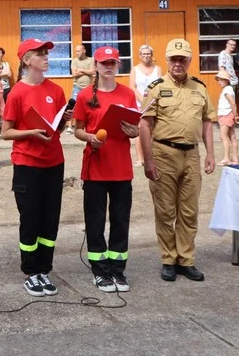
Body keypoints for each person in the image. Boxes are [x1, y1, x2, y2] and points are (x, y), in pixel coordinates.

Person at [139, 38, 215, 283]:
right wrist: (148, 160)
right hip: (164, 154)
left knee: (190, 211)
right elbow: (145, 124)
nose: (178, 64)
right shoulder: (156, 87)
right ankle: (168, 259)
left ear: (190, 61)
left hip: (191, 155)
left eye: (183, 59)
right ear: (168, 61)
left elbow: (206, 122)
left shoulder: (200, 88)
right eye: (174, 59)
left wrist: (211, 154)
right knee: (165, 210)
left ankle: (186, 259)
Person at [1, 39, 69, 297]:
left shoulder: (56, 89)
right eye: (40, 53)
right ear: (27, 60)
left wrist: (63, 122)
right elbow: (6, 132)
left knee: (50, 218)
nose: (46, 57)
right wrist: (31, 131)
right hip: (27, 163)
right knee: (30, 218)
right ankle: (30, 271)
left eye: (46, 53)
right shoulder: (17, 92)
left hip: (54, 162)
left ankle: (45, 269)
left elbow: (57, 129)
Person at [72, 46, 139, 293]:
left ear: (118, 65)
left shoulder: (128, 94)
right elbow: (78, 129)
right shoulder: (85, 95)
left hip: (121, 167)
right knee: (95, 220)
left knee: (121, 220)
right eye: (104, 63)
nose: (108, 67)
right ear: (96, 67)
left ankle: (118, 269)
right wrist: (89, 137)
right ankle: (100, 271)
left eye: (112, 63)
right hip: (95, 167)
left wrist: (135, 131)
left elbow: (134, 126)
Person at [128, 45, 160, 167]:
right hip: (139, 104)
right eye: (144, 54)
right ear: (140, 56)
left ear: (152, 55)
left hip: (154, 103)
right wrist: (142, 100)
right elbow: (132, 87)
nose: (146, 56)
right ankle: (140, 159)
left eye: (148, 54)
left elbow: (160, 85)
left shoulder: (158, 69)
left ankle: (151, 157)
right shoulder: (135, 69)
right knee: (141, 129)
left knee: (154, 130)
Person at [215, 71, 239, 165]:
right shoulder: (230, 89)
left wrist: (236, 115)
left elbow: (232, 103)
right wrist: (235, 115)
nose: (219, 81)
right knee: (232, 136)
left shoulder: (226, 90)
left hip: (226, 114)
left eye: (221, 80)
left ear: (226, 80)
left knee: (223, 136)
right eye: (219, 80)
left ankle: (226, 158)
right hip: (229, 114)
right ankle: (235, 159)